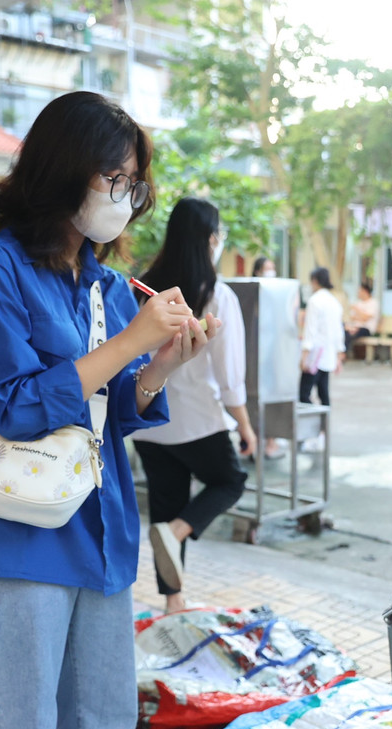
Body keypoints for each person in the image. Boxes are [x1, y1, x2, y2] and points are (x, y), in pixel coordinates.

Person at [0, 90, 219, 729]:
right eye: (112, 175)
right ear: (61, 170)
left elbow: (114, 408)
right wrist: (133, 341)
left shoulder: (101, 283)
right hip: (21, 527)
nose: (123, 196)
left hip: (98, 520)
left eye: (134, 183)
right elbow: (17, 405)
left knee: (102, 701)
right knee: (19, 712)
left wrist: (161, 363)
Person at [135, 198, 254, 613]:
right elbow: (229, 377)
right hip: (199, 420)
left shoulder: (146, 291)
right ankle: (179, 531)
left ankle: (173, 603)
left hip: (148, 418)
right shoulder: (216, 295)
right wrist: (246, 427)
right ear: (209, 239)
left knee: (166, 502)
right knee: (230, 482)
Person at [298, 266, 345, 452]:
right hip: (328, 357)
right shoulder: (335, 302)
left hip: (314, 357)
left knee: (303, 395)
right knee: (324, 394)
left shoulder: (315, 301)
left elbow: (310, 332)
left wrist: (304, 356)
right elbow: (338, 332)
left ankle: (312, 432)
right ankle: (322, 434)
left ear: (315, 281)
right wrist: (339, 356)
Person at [345, 279, 378, 351]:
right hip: (355, 326)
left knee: (351, 334)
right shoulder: (359, 303)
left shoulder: (373, 303)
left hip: (366, 329)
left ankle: (343, 354)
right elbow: (352, 317)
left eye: (359, 291)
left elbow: (365, 318)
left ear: (365, 291)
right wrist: (360, 317)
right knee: (343, 331)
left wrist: (357, 310)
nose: (358, 293)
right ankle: (342, 354)